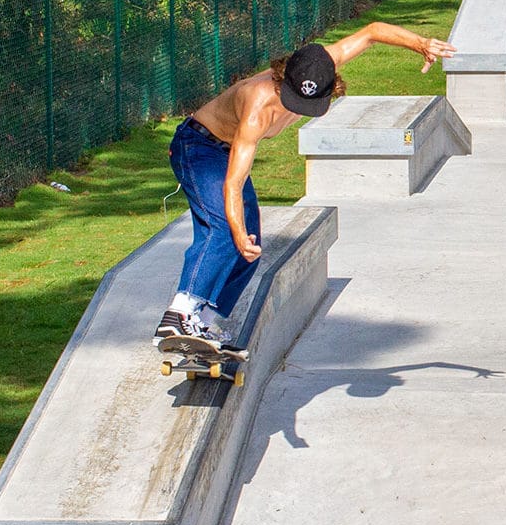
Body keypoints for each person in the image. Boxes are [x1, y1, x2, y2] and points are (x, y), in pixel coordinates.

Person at [154, 24, 455, 349]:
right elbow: (233, 182)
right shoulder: (258, 107)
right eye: (292, 100)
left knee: (251, 248)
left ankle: (205, 322)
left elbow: (372, 32)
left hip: (223, 152)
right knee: (227, 230)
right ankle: (180, 312)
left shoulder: (321, 65)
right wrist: (237, 232)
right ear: (285, 79)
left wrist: (420, 42)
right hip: (199, 147)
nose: (294, 109)